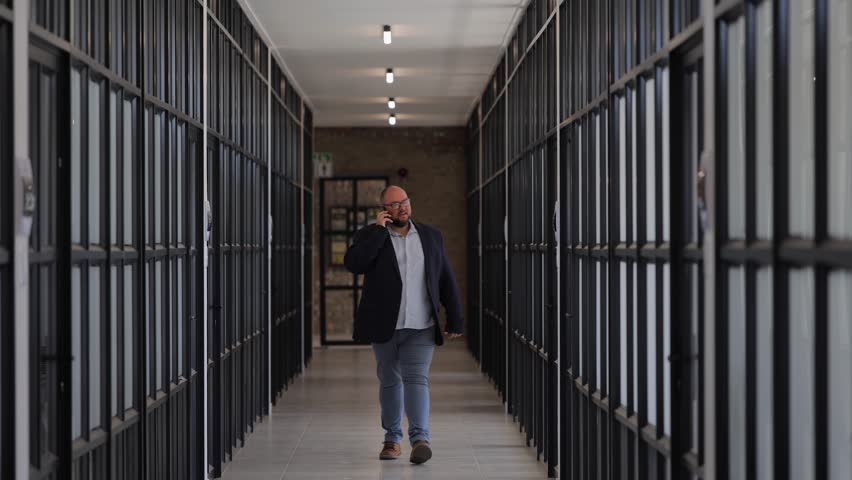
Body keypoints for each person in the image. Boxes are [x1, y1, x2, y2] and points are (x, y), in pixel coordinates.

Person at [343, 185, 464, 465]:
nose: (403, 207)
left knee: (416, 379)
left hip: (421, 324)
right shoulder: (371, 236)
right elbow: (355, 264)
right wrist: (376, 232)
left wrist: (455, 317)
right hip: (385, 324)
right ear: (384, 210)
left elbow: (445, 278)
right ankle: (392, 439)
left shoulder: (431, 237)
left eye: (405, 201)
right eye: (395, 204)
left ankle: (420, 439)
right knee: (389, 381)